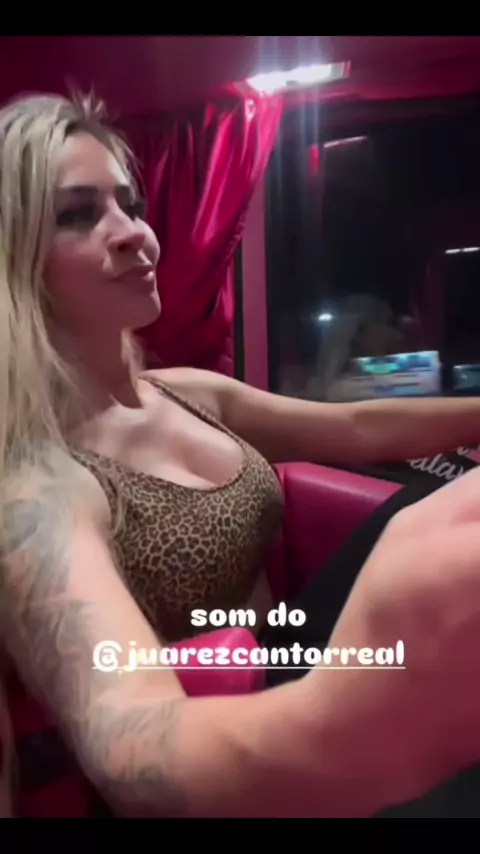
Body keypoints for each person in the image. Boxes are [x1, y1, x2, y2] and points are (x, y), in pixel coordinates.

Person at [2, 92, 480, 819]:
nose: (133, 233)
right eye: (78, 215)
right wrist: (356, 715)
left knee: (441, 505)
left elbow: (357, 427)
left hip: (292, 653)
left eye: (130, 205)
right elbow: (133, 743)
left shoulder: (184, 391)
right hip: (240, 732)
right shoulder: (33, 482)